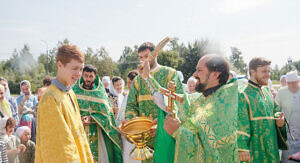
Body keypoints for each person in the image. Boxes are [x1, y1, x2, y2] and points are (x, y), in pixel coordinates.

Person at [139, 54, 239, 162]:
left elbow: (213, 152)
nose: (194, 74)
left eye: (199, 70)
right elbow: (169, 100)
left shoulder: (223, 105)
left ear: (215, 75)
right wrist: (147, 77)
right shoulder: (201, 98)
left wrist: (177, 132)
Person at [125, 42, 184, 163]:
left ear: (155, 54)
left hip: (166, 134)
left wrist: (160, 125)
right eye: (141, 57)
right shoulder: (137, 80)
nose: (143, 60)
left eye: (146, 56)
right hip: (145, 138)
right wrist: (132, 124)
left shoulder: (170, 74)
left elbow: (179, 105)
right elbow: (131, 105)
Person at [35, 44, 93, 162]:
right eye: (74, 68)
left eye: (81, 69)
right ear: (60, 65)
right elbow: (59, 148)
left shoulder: (70, 93)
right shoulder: (50, 98)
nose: (79, 74)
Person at [238, 57, 286, 162]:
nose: (268, 75)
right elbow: (241, 125)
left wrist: (279, 119)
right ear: (252, 72)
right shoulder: (243, 94)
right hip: (255, 151)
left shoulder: (267, 91)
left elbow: (276, 110)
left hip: (272, 150)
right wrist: (242, 149)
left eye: (269, 71)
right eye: (264, 71)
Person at [73, 64, 122, 163]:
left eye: (91, 76)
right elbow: (69, 110)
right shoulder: (74, 92)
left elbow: (107, 115)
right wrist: (79, 118)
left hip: (97, 133)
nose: (88, 79)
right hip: (78, 132)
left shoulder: (100, 94)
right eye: (86, 76)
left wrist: (92, 118)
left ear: (95, 77)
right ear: (82, 76)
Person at [115, 70, 140, 163]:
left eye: (131, 82)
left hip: (136, 132)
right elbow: (121, 114)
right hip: (127, 132)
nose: (129, 85)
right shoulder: (128, 95)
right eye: (128, 82)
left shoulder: (139, 96)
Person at [276, 70, 300, 163]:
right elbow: (276, 109)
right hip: (288, 129)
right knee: (288, 156)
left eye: (294, 82)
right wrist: (279, 119)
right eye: (290, 83)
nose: (292, 85)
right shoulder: (282, 92)